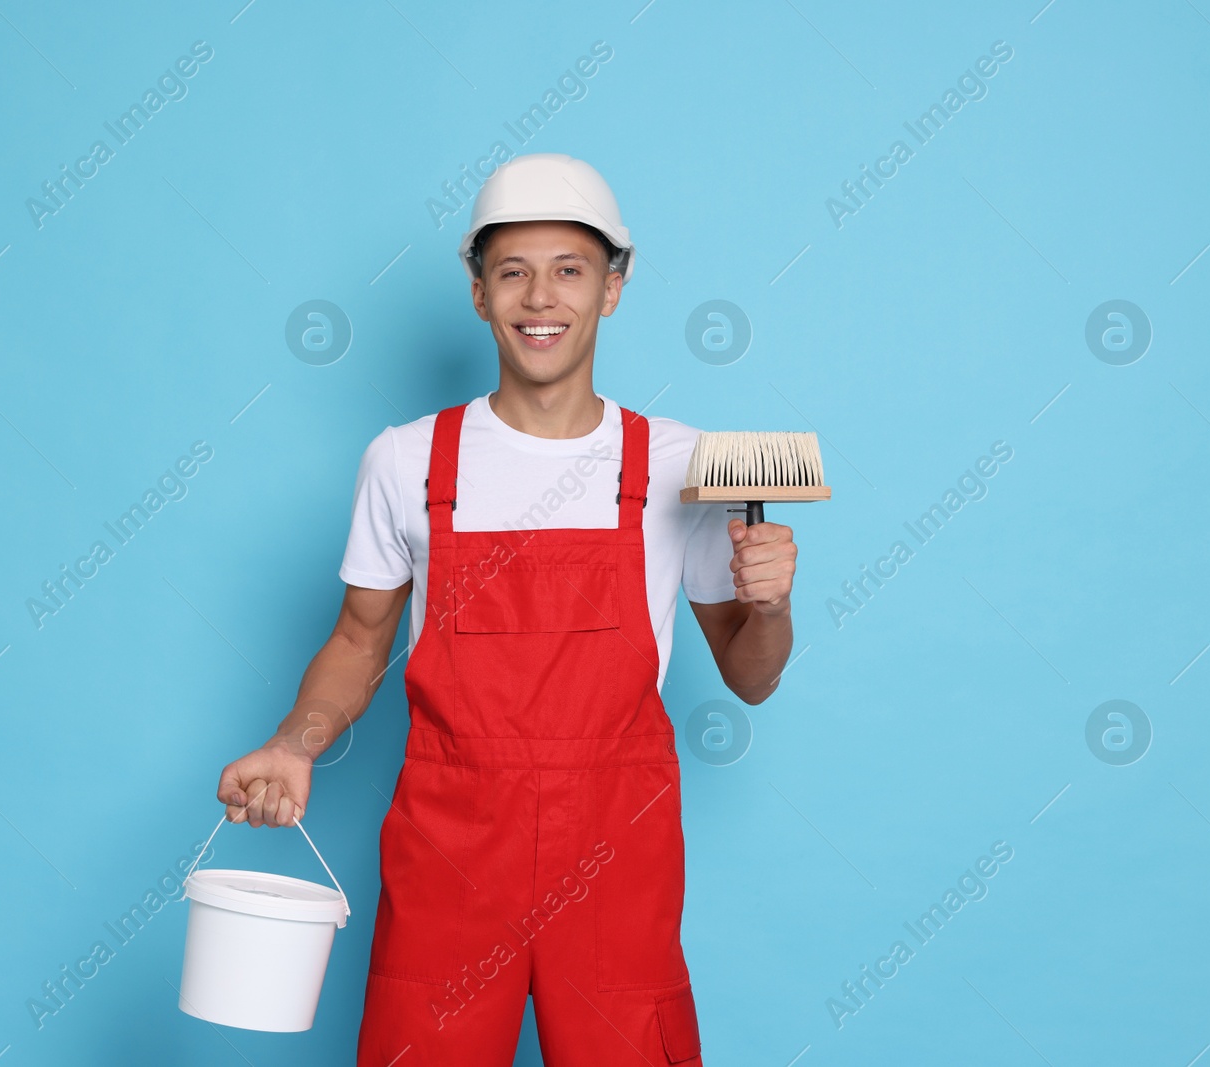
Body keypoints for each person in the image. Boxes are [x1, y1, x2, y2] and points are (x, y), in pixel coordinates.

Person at [216, 153, 797, 1066]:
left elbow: (752, 678)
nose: (541, 297)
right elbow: (360, 639)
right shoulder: (406, 459)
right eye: (513, 270)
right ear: (478, 290)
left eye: (570, 269)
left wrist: (769, 606)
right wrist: (296, 740)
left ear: (614, 287)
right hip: (450, 848)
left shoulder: (682, 462)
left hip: (618, 849)